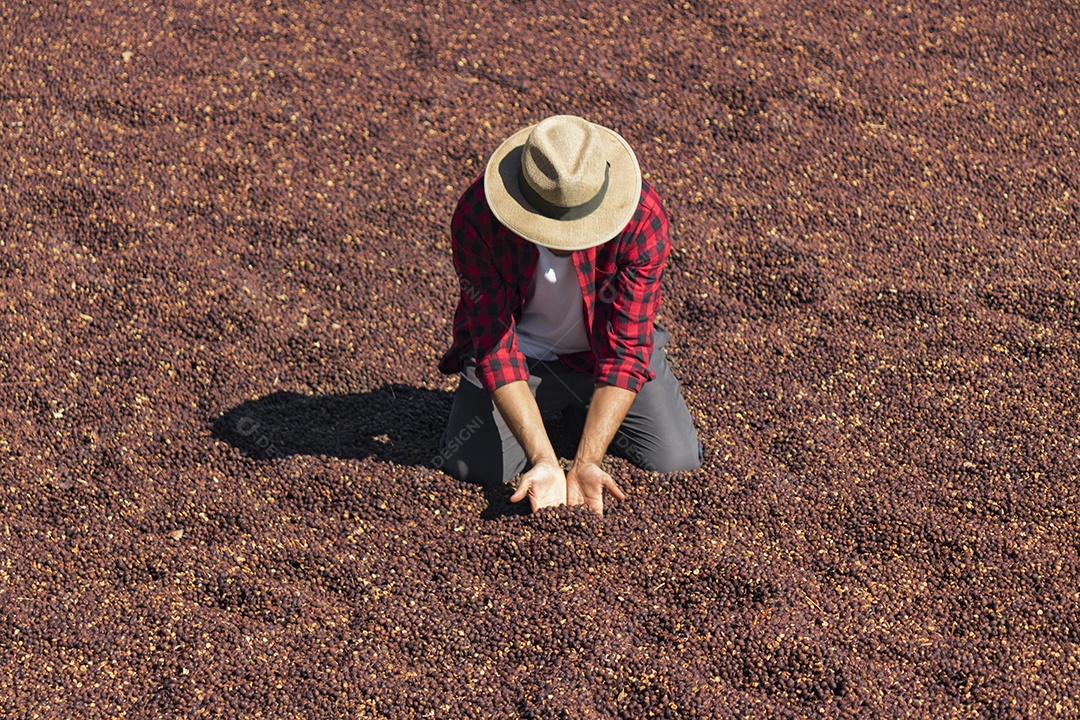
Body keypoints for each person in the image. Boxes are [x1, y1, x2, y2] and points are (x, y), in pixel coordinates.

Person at [437, 114, 701, 514]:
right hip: (522, 359)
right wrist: (544, 459)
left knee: (675, 460)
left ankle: (582, 418)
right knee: (471, 465)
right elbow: (495, 347)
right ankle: (558, 421)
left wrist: (587, 462)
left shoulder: (642, 218)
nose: (567, 241)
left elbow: (627, 350)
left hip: (601, 354)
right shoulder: (478, 216)